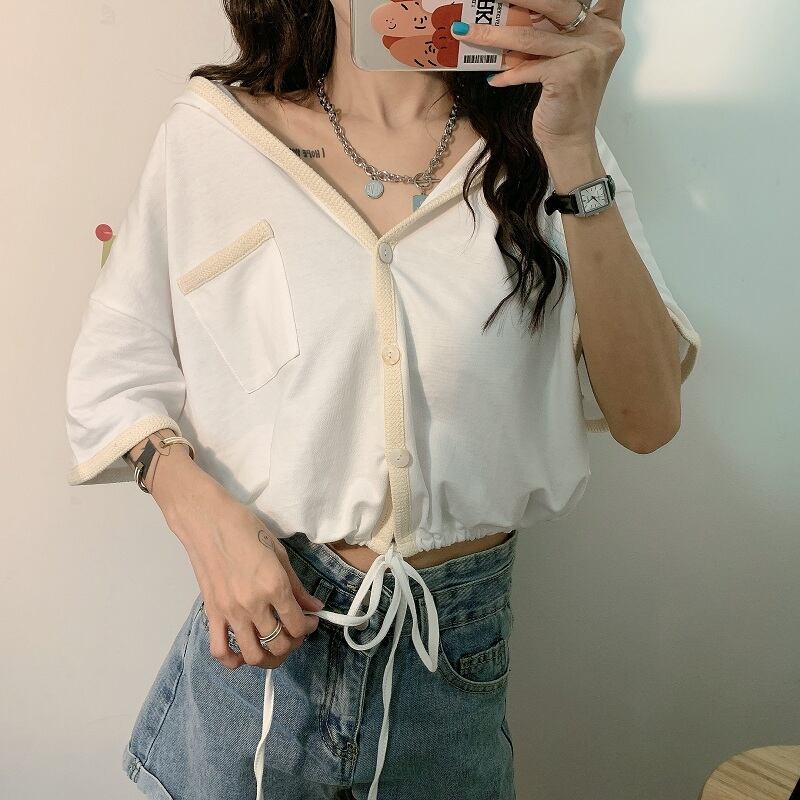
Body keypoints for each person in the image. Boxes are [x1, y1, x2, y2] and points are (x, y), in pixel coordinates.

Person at [64, 1, 701, 799]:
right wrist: (201, 516)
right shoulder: (212, 135)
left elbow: (648, 417)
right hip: (260, 657)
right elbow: (114, 369)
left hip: (454, 665)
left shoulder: (551, 142)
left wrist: (573, 149)